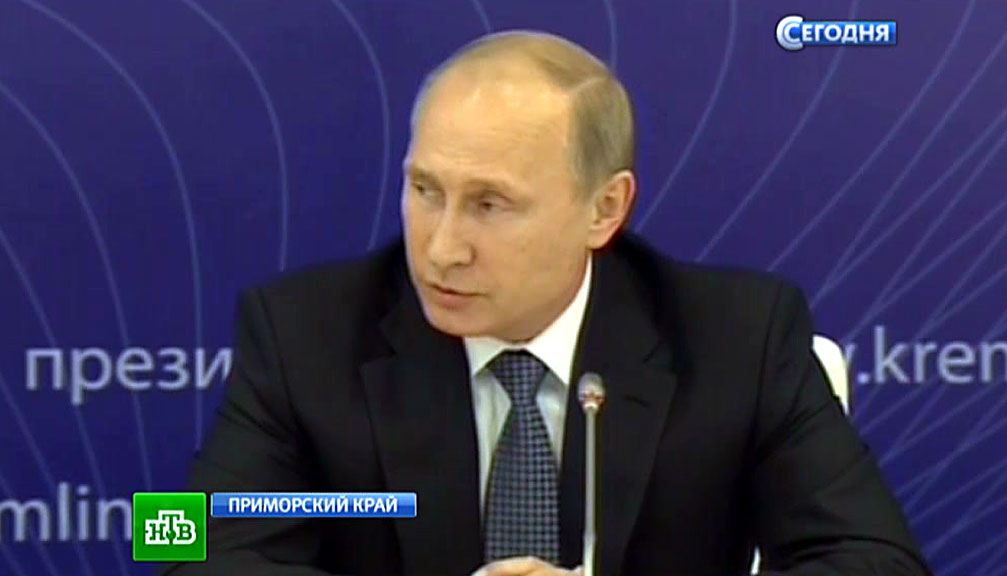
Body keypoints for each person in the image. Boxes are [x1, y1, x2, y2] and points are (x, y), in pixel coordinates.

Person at [163, 31, 931, 576]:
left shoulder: (737, 339)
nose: (441, 248)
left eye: (490, 205)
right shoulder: (302, 333)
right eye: (425, 190)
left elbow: (878, 560)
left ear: (604, 209)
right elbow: (183, 543)